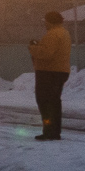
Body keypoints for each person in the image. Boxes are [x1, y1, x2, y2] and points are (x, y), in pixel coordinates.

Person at [28, 10, 71, 140]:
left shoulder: (52, 34)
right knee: (54, 103)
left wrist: (33, 48)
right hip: (61, 71)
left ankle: (48, 131)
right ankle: (55, 131)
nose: (44, 24)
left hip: (48, 73)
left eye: (45, 21)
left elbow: (47, 54)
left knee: (44, 102)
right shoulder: (64, 33)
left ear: (49, 21)